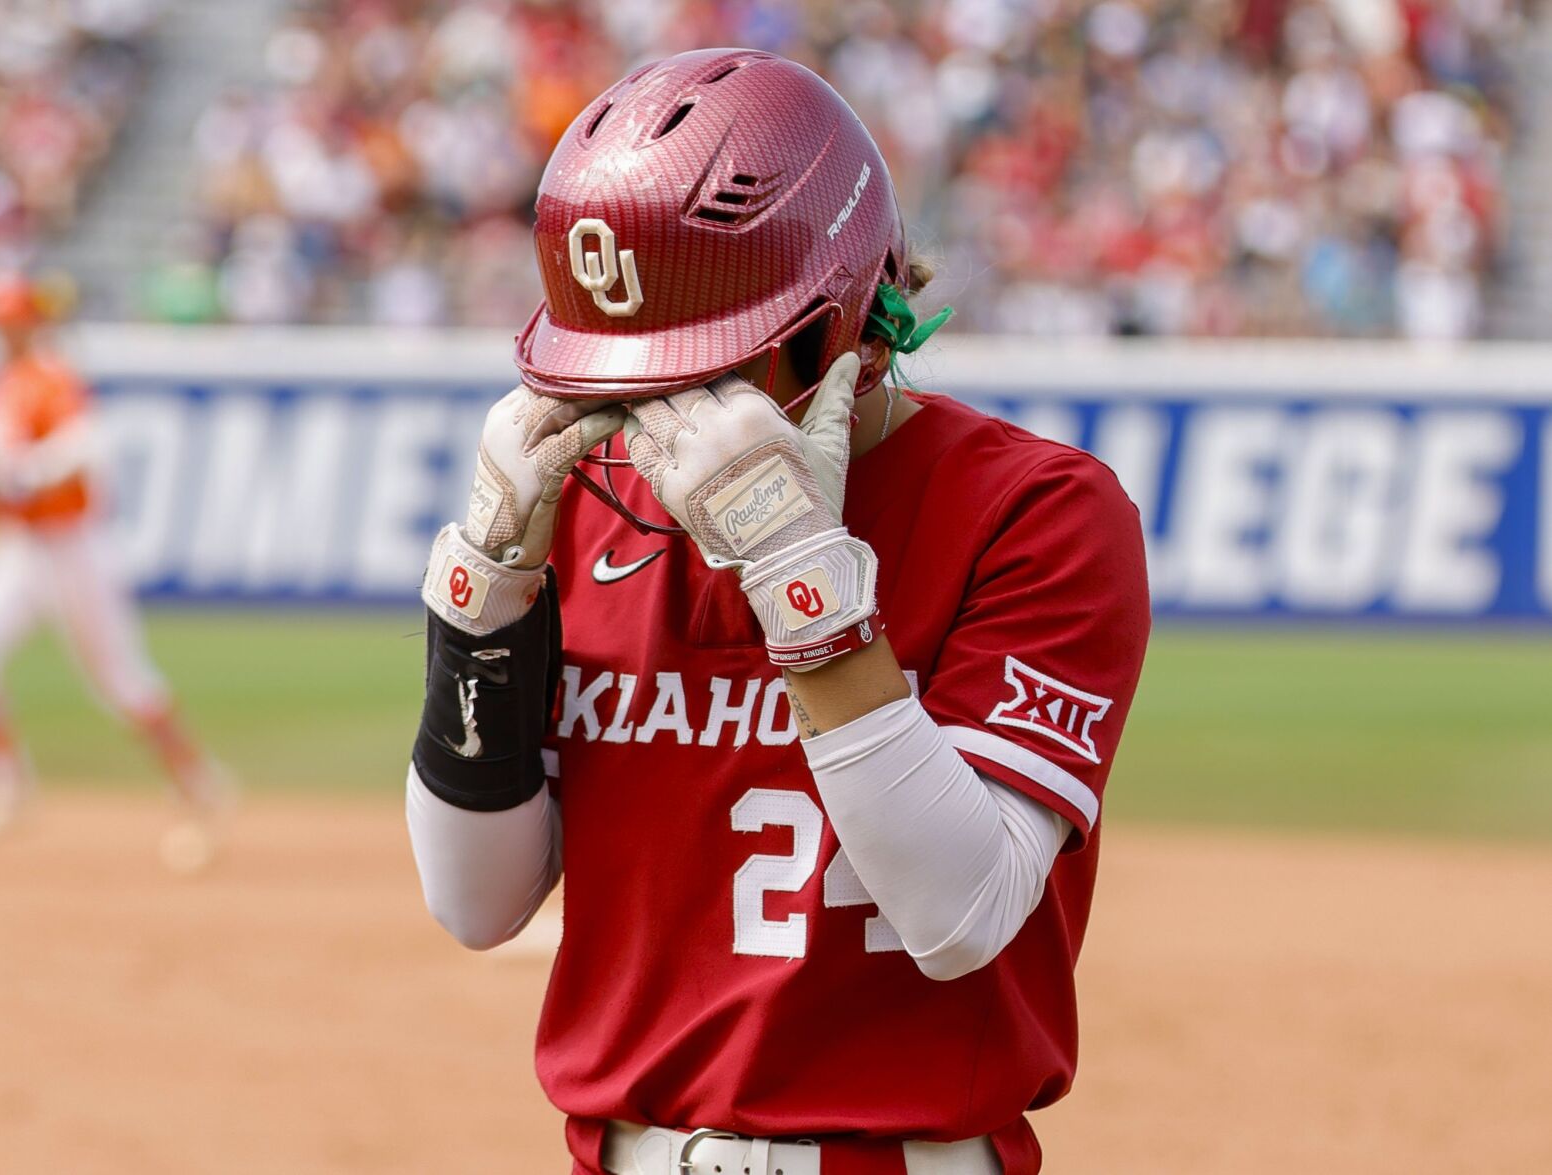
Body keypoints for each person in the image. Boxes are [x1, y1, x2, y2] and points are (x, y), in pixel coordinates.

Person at [407, 49, 1150, 1175]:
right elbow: (475, 901)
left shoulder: (1034, 508)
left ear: (843, 319)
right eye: (616, 372)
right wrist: (481, 602)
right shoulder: (587, 502)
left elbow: (961, 911)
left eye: (699, 363)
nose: (650, 411)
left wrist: (801, 576)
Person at [0, 270, 233, 873]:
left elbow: (86, 449)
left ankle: (199, 785)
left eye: (3, 320)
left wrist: (11, 479)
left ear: (27, 321)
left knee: (122, 681)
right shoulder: (6, 381)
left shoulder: (48, 376)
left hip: (72, 548)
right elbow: (1, 474)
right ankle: (6, 788)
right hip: (18, 548)